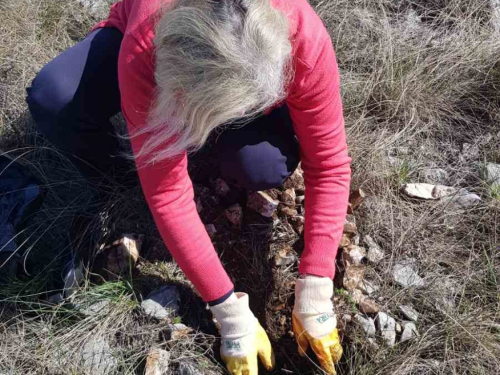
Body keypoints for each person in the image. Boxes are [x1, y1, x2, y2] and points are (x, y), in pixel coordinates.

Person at [26, 0, 351, 373]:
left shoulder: (303, 38)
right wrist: (228, 311)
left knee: (262, 164)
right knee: (55, 98)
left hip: (240, 72)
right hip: (160, 54)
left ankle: (221, 130)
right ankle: (122, 182)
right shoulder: (146, 50)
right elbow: (168, 194)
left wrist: (316, 288)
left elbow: (329, 163)